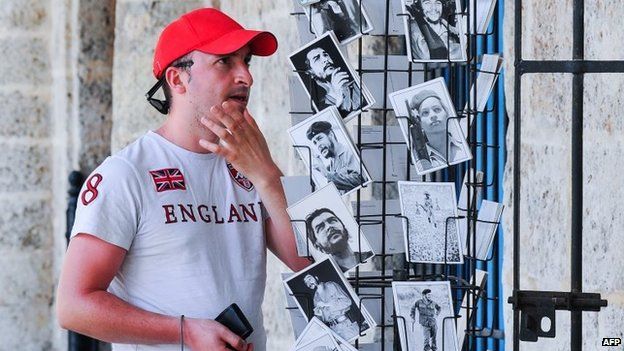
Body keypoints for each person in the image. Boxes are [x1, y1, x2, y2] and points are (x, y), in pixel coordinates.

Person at [56, 8, 311, 351]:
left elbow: (308, 263)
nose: (246, 77)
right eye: (225, 62)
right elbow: (74, 307)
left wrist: (265, 172)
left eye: (246, 61)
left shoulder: (250, 167)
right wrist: (184, 331)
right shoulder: (126, 174)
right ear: (177, 80)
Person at [408, 89, 465, 171]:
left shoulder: (463, 146)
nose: (433, 115)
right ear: (419, 122)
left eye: (437, 109)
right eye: (425, 112)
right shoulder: (418, 159)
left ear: (447, 114)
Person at [304, 208, 373, 272]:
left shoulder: (370, 256)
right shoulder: (330, 273)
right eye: (320, 228)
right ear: (317, 246)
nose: (329, 227)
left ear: (344, 227)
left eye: (332, 221)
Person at [306, 120, 365, 194]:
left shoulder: (349, 152)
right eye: (315, 143)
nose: (318, 145)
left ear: (331, 135)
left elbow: (360, 180)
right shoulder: (331, 163)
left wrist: (326, 174)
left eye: (319, 138)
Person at [304, 47, 363, 117]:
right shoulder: (321, 109)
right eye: (317, 58)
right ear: (310, 72)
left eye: (325, 55)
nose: (325, 59)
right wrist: (338, 99)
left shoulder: (356, 85)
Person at [303, 274, 362, 340]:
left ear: (316, 277)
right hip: (334, 331)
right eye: (306, 282)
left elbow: (347, 301)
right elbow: (323, 320)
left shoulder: (331, 285)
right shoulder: (315, 298)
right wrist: (319, 316)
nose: (308, 283)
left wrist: (326, 304)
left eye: (309, 279)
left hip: (347, 326)